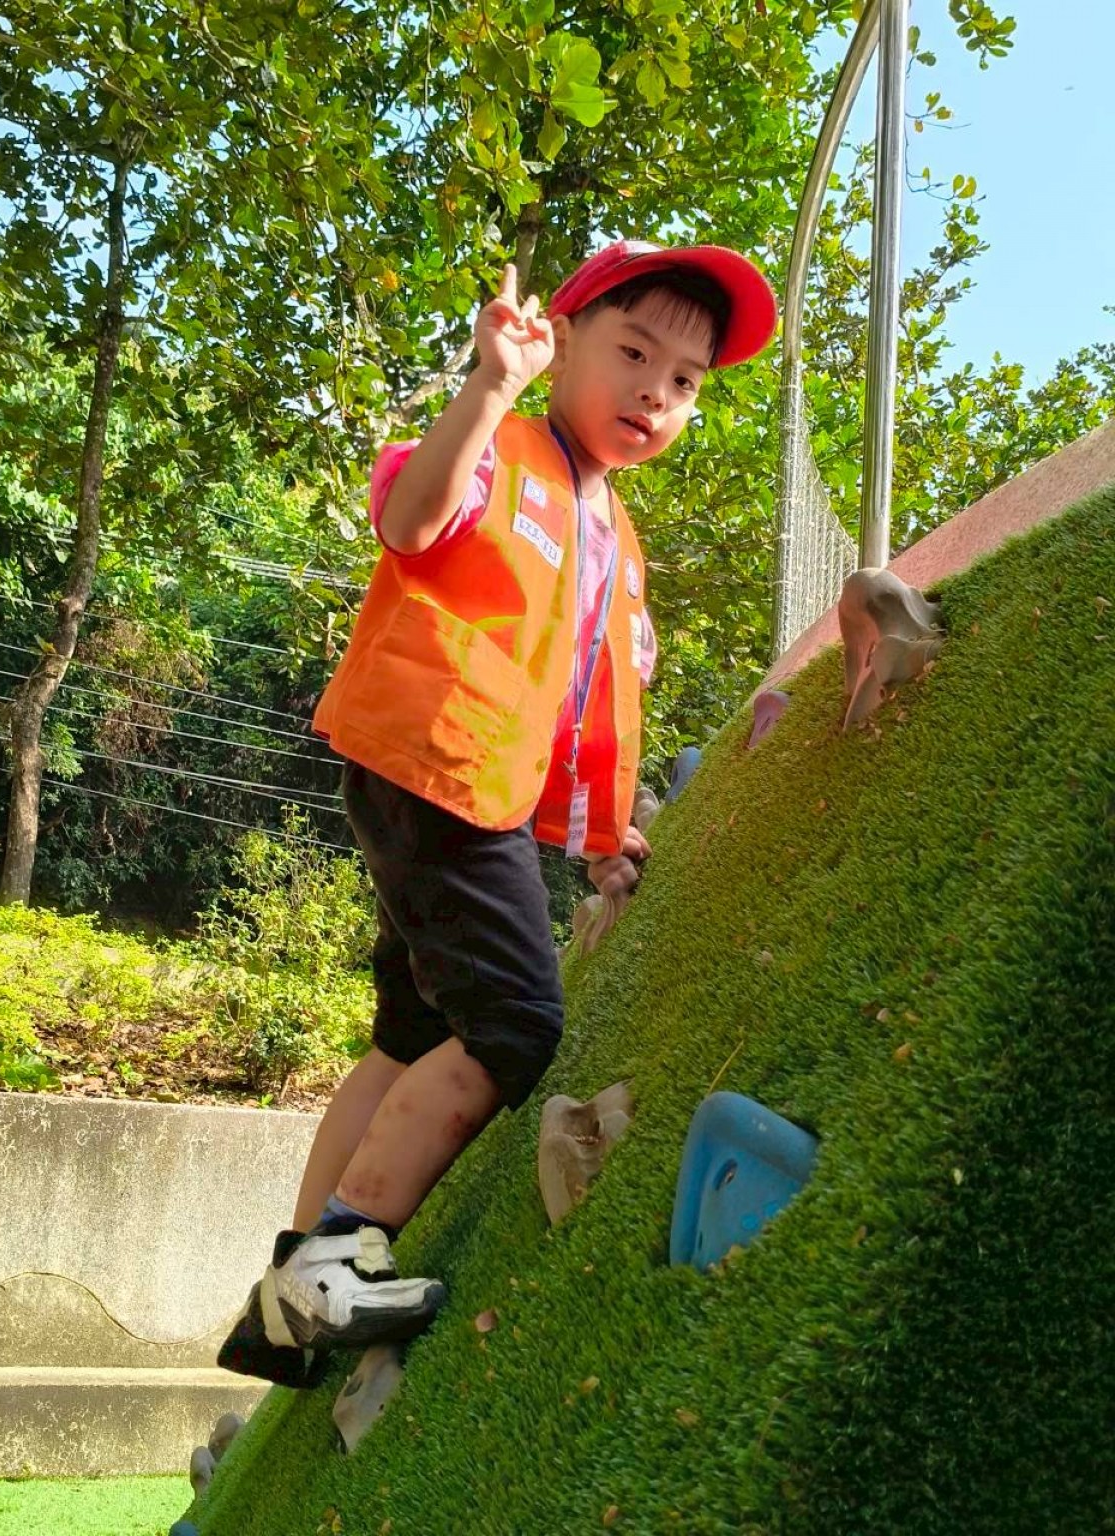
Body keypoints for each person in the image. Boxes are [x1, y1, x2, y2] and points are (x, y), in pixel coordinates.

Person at [218, 239, 776, 1387]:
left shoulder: (616, 540)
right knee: (517, 1023)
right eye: (633, 353)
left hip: (469, 789)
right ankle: (330, 1265)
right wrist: (487, 387)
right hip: (437, 767)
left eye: (684, 380)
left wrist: (603, 838)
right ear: (559, 343)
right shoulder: (505, 447)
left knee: (411, 1035)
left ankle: (294, 1285)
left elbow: (588, 708)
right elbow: (412, 521)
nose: (655, 392)